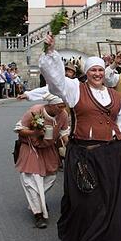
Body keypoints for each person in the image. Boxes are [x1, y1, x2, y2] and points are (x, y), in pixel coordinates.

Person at [40, 33, 121, 241]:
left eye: (100, 70)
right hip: (84, 154)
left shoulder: (115, 95)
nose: (97, 74)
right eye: (93, 70)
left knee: (110, 201)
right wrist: (50, 52)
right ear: (86, 73)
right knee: (87, 201)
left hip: (113, 153)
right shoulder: (75, 89)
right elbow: (56, 80)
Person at [13, 93, 70, 229]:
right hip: (31, 148)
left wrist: (70, 146)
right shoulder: (35, 111)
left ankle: (38, 200)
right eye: (59, 106)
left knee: (51, 176)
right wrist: (35, 133)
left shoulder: (63, 115)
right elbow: (19, 129)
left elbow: (64, 133)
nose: (62, 108)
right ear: (50, 105)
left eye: (63, 106)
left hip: (48, 148)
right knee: (31, 180)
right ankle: (39, 214)